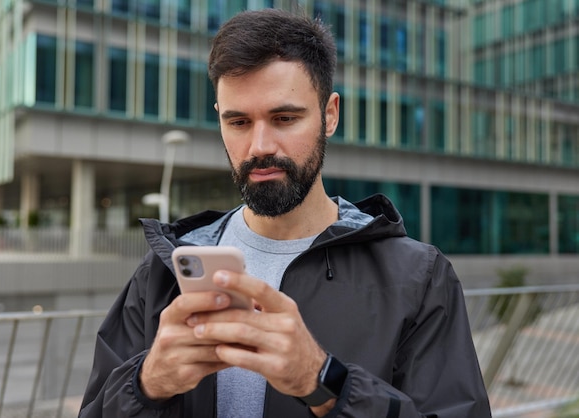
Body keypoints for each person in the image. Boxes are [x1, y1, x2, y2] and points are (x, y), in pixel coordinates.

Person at [79, 8, 491, 418]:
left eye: (285, 118)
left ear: (330, 115)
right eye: (238, 121)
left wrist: (326, 383)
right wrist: (146, 385)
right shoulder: (164, 272)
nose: (260, 145)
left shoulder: (417, 279)